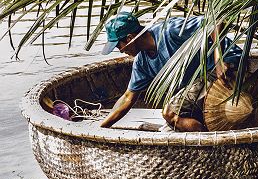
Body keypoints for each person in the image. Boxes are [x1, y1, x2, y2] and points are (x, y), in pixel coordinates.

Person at [99, 12, 242, 131]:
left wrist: (219, 59)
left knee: (170, 112)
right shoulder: (142, 63)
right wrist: (103, 126)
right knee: (171, 126)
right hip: (201, 84)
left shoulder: (170, 30)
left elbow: (214, 20)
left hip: (229, 65)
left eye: (119, 46)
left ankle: (211, 144)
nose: (121, 51)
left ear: (129, 38)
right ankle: (207, 134)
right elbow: (128, 97)